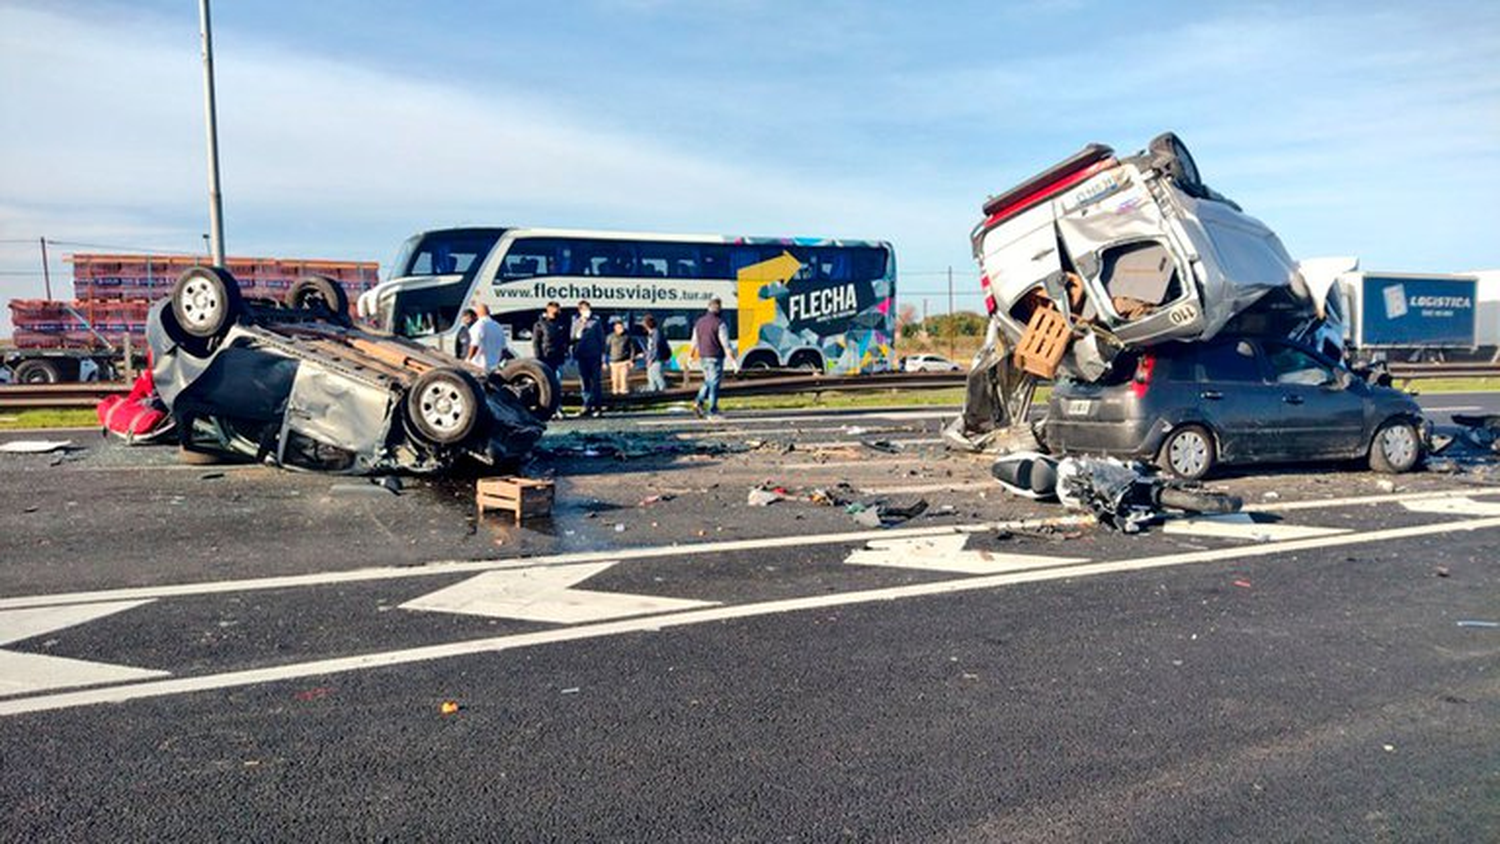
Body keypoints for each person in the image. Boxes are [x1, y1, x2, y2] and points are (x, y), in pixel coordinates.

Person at [689, 297, 736, 418]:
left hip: (703, 356)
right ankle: (712, 410)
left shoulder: (698, 322)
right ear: (718, 308)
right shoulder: (720, 323)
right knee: (714, 384)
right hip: (715, 356)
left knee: (708, 381)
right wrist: (734, 362)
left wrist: (690, 356)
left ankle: (698, 403)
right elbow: (726, 344)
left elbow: (694, 341)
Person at [570, 299, 606, 416]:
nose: (587, 311)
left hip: (594, 355)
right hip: (582, 355)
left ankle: (597, 407)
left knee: (595, 381)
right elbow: (572, 338)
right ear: (580, 310)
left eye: (588, 309)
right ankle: (586, 405)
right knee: (584, 382)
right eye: (584, 309)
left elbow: (601, 339)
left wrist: (602, 355)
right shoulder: (576, 323)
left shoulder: (596, 322)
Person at [463, 304, 507, 372]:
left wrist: (468, 359)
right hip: (495, 367)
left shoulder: (478, 325)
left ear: (477, 313)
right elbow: (504, 349)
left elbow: (475, 344)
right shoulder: (498, 326)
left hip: (479, 366)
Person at [531, 301, 568, 371]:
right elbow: (536, 342)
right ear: (550, 310)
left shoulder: (561, 323)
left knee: (557, 377)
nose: (558, 312)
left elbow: (565, 338)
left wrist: (565, 350)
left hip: (558, 356)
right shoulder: (540, 324)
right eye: (556, 309)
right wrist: (538, 357)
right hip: (546, 356)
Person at [605, 318, 636, 395]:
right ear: (615, 328)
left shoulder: (627, 337)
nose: (621, 329)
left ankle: (624, 396)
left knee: (624, 380)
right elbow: (606, 350)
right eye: (619, 327)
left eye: (622, 327)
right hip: (614, 363)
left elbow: (632, 349)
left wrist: (632, 360)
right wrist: (604, 362)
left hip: (624, 362)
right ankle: (615, 396)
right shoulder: (610, 337)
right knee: (615, 381)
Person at [642, 314, 669, 393]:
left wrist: (651, 359)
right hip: (652, 359)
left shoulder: (656, 333)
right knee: (651, 377)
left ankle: (663, 392)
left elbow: (655, 347)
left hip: (656, 359)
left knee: (657, 376)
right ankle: (653, 392)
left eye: (644, 322)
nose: (643, 325)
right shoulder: (651, 333)